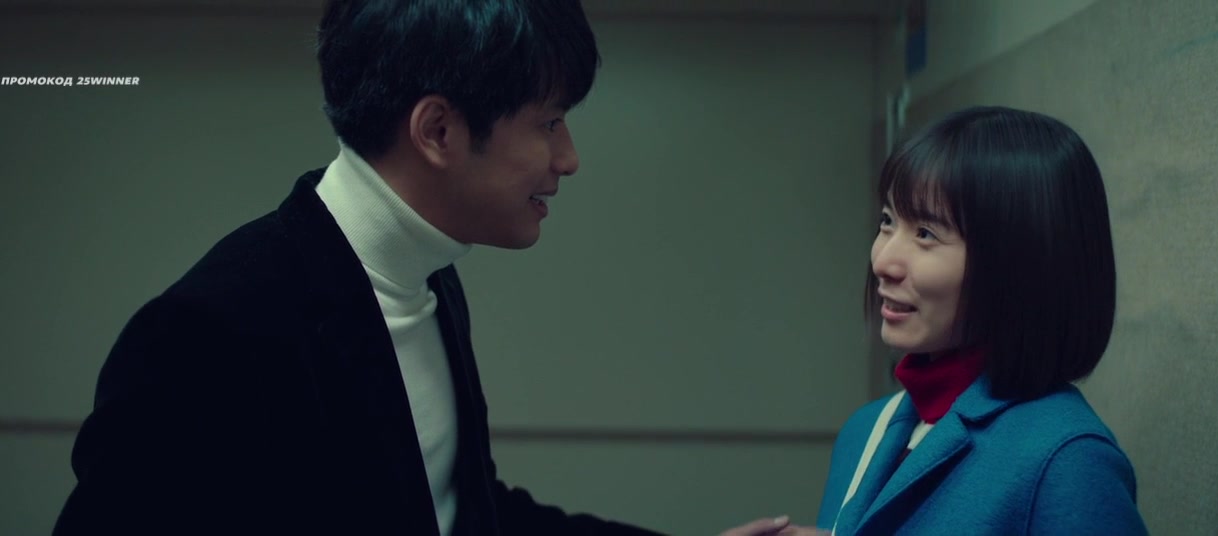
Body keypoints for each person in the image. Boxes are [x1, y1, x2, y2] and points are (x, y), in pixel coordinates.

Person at [50, 1, 789, 534]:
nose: (568, 159)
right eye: (549, 122)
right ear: (437, 130)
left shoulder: (430, 275)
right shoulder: (212, 330)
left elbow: (467, 511)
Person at [814, 106, 1149, 535]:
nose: (883, 261)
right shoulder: (866, 431)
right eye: (887, 221)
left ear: (1020, 264)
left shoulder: (1068, 461)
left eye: (926, 234)